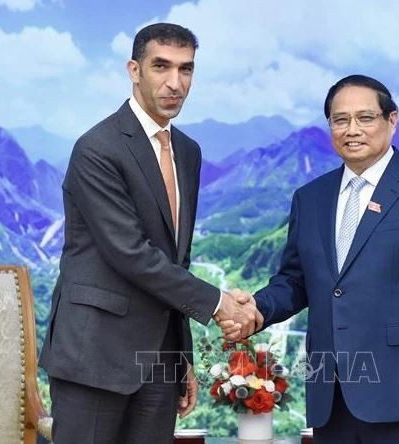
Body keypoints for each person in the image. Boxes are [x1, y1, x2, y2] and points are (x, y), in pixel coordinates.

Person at [220, 75, 399, 443]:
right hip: (331, 397)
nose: (352, 129)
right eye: (340, 120)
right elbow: (295, 281)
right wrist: (255, 308)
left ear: (392, 120)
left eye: (365, 118)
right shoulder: (310, 198)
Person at [39, 23, 259, 443]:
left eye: (186, 69)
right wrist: (218, 304)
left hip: (159, 361)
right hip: (94, 357)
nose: (175, 83)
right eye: (161, 66)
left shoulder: (189, 152)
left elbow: (177, 260)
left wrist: (183, 358)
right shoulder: (97, 148)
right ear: (134, 70)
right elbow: (130, 253)